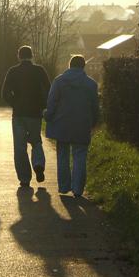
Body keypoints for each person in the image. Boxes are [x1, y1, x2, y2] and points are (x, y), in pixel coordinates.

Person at [44, 54, 99, 198]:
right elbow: (95, 107)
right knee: (80, 155)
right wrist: (94, 122)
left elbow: (52, 102)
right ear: (83, 66)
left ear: (69, 65)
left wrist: (48, 115)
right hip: (82, 125)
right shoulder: (91, 84)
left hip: (62, 124)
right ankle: (78, 189)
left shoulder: (59, 81)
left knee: (62, 155)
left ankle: (64, 186)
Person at [1, 45, 50, 188]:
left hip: (19, 114)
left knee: (20, 147)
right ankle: (39, 164)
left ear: (19, 56)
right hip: (35, 113)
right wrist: (43, 105)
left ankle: (24, 178)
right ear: (32, 55)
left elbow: (4, 92)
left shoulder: (13, 71)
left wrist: (14, 102)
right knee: (36, 141)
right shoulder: (39, 70)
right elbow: (49, 89)